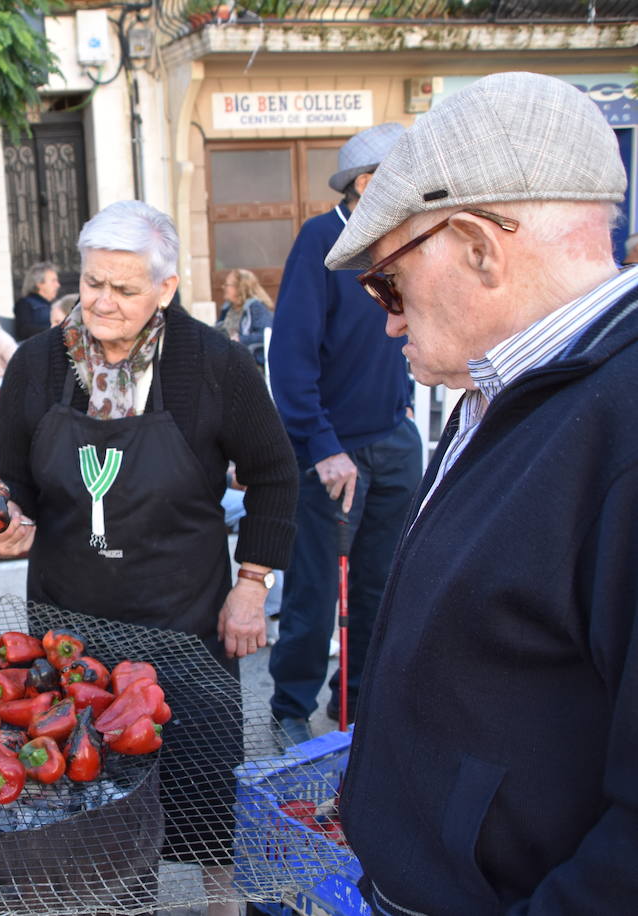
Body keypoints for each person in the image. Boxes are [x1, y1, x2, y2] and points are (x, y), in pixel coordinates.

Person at [323, 70, 636, 914]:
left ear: (478, 245)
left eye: (388, 280)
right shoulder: (504, 391)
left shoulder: (621, 428)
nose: (388, 318)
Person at [0, 200, 297, 915]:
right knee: (84, 791)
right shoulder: (38, 362)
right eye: (93, 283)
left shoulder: (215, 364)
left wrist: (252, 584)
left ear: (166, 286)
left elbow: (277, 475)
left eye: (124, 289)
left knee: (204, 789)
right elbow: (4, 472)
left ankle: (222, 905)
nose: (102, 302)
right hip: (68, 621)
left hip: (182, 620)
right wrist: (2, 511)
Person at [265, 122, 423, 745]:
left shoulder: (399, 243)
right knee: (315, 590)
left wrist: (404, 402)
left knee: (383, 586)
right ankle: (290, 710)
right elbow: (292, 361)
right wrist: (324, 446)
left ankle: (356, 709)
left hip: (393, 441)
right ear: (364, 183)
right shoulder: (320, 241)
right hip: (330, 451)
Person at [214, 269, 274, 367]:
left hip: (248, 362)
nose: (223, 287)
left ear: (240, 287)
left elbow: (265, 334)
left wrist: (240, 339)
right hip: (227, 357)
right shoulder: (228, 308)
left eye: (227, 285)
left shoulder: (255, 307)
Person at [12, 261, 59, 341]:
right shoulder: (25, 303)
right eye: (53, 281)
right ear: (39, 283)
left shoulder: (55, 305)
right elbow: (24, 330)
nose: (58, 285)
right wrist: (53, 328)